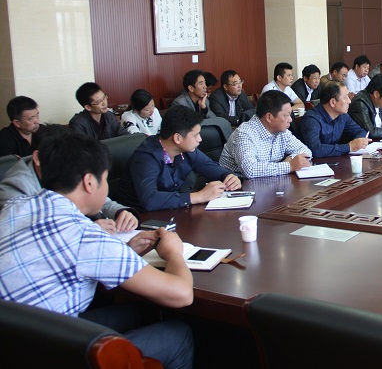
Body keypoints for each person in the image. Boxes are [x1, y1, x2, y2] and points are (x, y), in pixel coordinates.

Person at [0, 133, 194, 369]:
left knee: (139, 312)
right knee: (178, 333)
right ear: (89, 182)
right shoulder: (85, 235)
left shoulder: (14, 207)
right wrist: (173, 252)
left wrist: (124, 251)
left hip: (15, 346)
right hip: (50, 355)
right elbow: (182, 294)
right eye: (105, 178)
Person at [0, 124, 139, 231]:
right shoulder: (14, 189)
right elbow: (31, 235)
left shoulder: (70, 168)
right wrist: (88, 229)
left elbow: (95, 195)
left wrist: (119, 212)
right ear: (37, 157)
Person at [117, 106, 241, 212]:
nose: (200, 139)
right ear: (177, 138)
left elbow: (211, 167)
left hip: (170, 212)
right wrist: (199, 196)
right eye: (195, 135)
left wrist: (229, 177)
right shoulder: (146, 158)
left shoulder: (187, 151)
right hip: (139, 219)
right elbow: (150, 200)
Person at [219, 90, 312, 178]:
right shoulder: (244, 134)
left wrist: (291, 159)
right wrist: (289, 166)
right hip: (239, 184)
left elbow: (305, 150)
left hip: (268, 182)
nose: (290, 120)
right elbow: (250, 170)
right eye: (286, 116)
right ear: (269, 117)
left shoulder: (282, 131)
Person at [299, 82, 370, 157]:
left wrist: (358, 143)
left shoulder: (343, 116)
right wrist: (349, 147)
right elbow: (315, 150)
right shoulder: (311, 120)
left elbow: (360, 131)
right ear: (333, 102)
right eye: (346, 97)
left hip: (335, 160)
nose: (349, 101)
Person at [172, 69, 233, 139]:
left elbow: (215, 120)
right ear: (191, 88)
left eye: (205, 83)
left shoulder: (205, 100)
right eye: (201, 83)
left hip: (203, 136)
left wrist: (204, 108)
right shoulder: (179, 103)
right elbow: (185, 127)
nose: (205, 86)